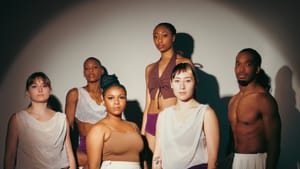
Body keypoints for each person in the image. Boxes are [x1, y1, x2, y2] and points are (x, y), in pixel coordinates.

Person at [152, 63, 220, 169]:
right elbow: (157, 155)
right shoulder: (163, 116)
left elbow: (213, 159)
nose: (182, 86)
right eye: (177, 81)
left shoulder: (206, 113)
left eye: (187, 80)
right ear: (171, 84)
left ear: (195, 83)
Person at [4, 72, 76, 169]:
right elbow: (10, 156)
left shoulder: (61, 119)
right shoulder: (18, 119)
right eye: (34, 86)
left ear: (50, 90)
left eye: (44, 85)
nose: (40, 89)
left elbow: (69, 154)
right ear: (27, 92)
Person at [141, 22, 193, 152]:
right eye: (155, 36)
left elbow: (190, 97)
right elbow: (148, 101)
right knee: (157, 161)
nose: (159, 40)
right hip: (152, 118)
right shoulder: (149, 68)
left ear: (173, 37)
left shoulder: (184, 63)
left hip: (173, 118)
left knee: (173, 161)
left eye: (164, 35)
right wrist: (143, 129)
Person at [228, 48, 281, 169]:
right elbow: (231, 140)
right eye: (238, 64)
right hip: (236, 161)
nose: (241, 69)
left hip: (257, 162)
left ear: (257, 69)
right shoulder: (233, 101)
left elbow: (274, 146)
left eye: (248, 64)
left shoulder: (264, 100)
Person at [86, 74, 144, 169]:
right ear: (103, 101)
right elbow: (93, 167)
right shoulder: (98, 129)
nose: (116, 102)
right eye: (111, 98)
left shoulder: (134, 126)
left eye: (121, 97)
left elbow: (143, 161)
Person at [65, 57, 106, 168]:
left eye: (94, 67)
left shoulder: (108, 94)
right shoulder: (75, 93)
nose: (91, 71)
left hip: (107, 145)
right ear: (84, 73)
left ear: (101, 71)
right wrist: (72, 150)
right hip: (85, 145)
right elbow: (68, 126)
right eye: (87, 68)